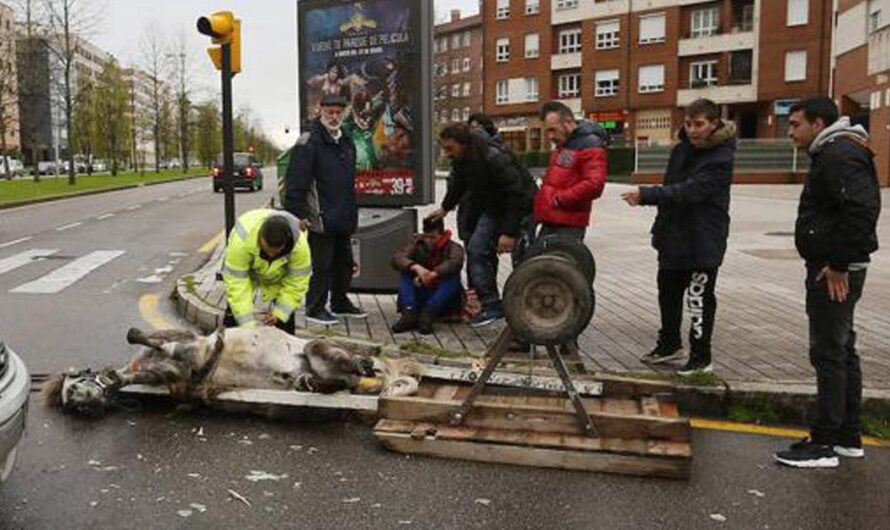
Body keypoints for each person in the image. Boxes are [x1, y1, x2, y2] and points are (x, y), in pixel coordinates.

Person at [773, 97, 881, 469]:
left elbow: (862, 209)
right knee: (842, 350)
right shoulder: (837, 151)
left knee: (829, 353)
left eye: (796, 124)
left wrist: (837, 263)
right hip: (835, 264)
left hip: (834, 270)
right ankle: (846, 437)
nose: (791, 132)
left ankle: (824, 444)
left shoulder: (839, 155)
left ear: (819, 124)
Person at [620, 98, 736, 375]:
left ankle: (701, 358)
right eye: (688, 124)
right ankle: (669, 344)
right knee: (668, 293)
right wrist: (660, 230)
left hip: (702, 239)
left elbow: (689, 191)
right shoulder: (682, 149)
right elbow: (672, 186)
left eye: (699, 124)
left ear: (714, 124)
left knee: (698, 299)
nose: (693, 130)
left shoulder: (721, 157)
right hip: (674, 237)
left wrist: (646, 195)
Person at [427, 123, 537, 327]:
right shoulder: (462, 160)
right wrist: (445, 208)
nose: (446, 153)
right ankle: (491, 304)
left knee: (522, 260)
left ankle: (527, 311)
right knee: (476, 249)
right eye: (444, 148)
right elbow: (458, 184)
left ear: (464, 144)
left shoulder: (494, 157)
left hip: (520, 209)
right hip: (494, 208)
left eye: (450, 148)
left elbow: (517, 194)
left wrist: (508, 233)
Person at [285, 93, 367, 325]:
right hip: (319, 217)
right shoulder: (309, 142)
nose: (333, 116)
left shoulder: (347, 139)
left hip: (343, 214)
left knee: (344, 263)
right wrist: (299, 214)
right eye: (329, 112)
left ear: (344, 112)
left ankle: (340, 302)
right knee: (321, 265)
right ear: (320, 111)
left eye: (338, 112)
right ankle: (315, 307)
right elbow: (295, 182)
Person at [221, 208, 312, 335]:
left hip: (279, 276)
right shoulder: (241, 240)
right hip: (249, 271)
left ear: (285, 244)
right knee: (236, 313)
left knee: (285, 321)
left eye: (275, 253)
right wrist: (248, 328)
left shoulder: (299, 247)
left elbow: (297, 283)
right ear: (260, 236)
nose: (270, 255)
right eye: (266, 250)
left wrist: (279, 313)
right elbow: (237, 285)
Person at [536, 101, 609, 241]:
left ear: (568, 122)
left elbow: (594, 184)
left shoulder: (589, 145)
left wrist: (559, 200)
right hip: (553, 221)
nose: (550, 136)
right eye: (547, 131)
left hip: (568, 225)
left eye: (553, 130)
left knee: (559, 262)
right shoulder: (566, 144)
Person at [390, 217, 465, 335]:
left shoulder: (454, 248)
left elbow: (455, 263)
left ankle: (429, 312)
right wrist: (416, 267)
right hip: (420, 289)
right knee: (405, 272)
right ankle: (409, 312)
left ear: (441, 234)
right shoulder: (416, 244)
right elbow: (398, 258)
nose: (429, 241)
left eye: (433, 238)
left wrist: (434, 274)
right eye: (426, 237)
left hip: (441, 297)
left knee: (453, 278)